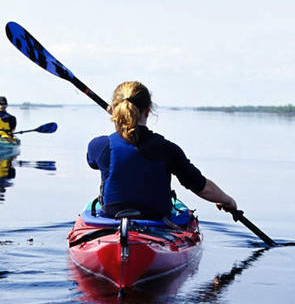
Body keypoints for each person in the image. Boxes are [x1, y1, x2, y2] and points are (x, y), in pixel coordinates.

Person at [87, 81, 237, 220]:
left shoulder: (99, 146)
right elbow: (202, 187)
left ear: (115, 110)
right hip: (157, 222)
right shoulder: (168, 149)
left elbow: (92, 162)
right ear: (148, 110)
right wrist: (227, 200)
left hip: (113, 219)